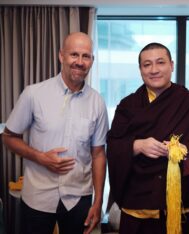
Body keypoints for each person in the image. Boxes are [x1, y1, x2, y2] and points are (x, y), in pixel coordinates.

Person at [107, 42, 189, 234]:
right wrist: (137, 145)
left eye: (160, 62)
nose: (154, 70)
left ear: (171, 65)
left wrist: (185, 149)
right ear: (140, 69)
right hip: (138, 205)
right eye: (147, 64)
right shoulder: (128, 106)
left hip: (180, 207)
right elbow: (113, 146)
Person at [2, 32, 109, 234]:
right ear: (61, 56)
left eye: (86, 56)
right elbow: (8, 137)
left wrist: (98, 201)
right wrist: (40, 157)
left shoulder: (97, 102)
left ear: (92, 61)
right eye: (74, 54)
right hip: (38, 196)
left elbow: (98, 154)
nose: (80, 62)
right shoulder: (33, 94)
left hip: (79, 198)